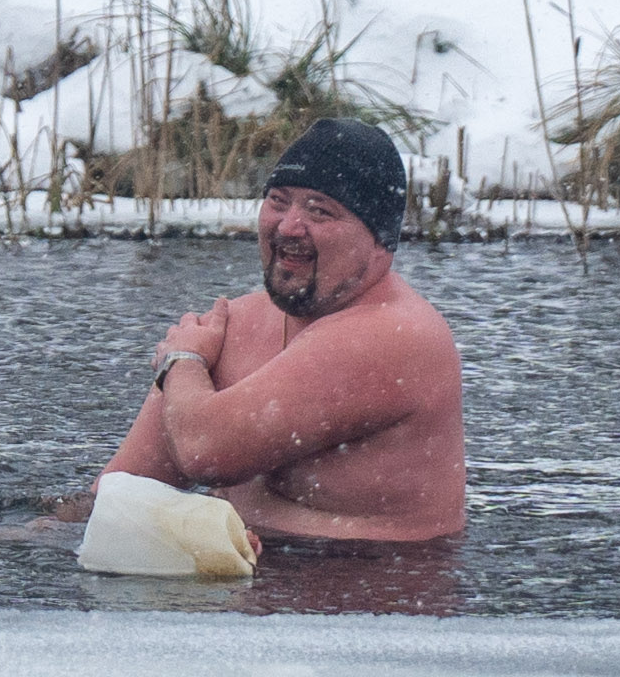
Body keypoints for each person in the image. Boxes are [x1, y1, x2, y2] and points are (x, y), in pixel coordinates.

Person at [104, 115, 466, 546]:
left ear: (379, 241)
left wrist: (182, 363)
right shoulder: (231, 325)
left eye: (319, 210)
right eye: (278, 201)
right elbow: (118, 493)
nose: (289, 226)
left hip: (371, 589)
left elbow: (206, 451)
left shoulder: (398, 334)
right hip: (237, 593)